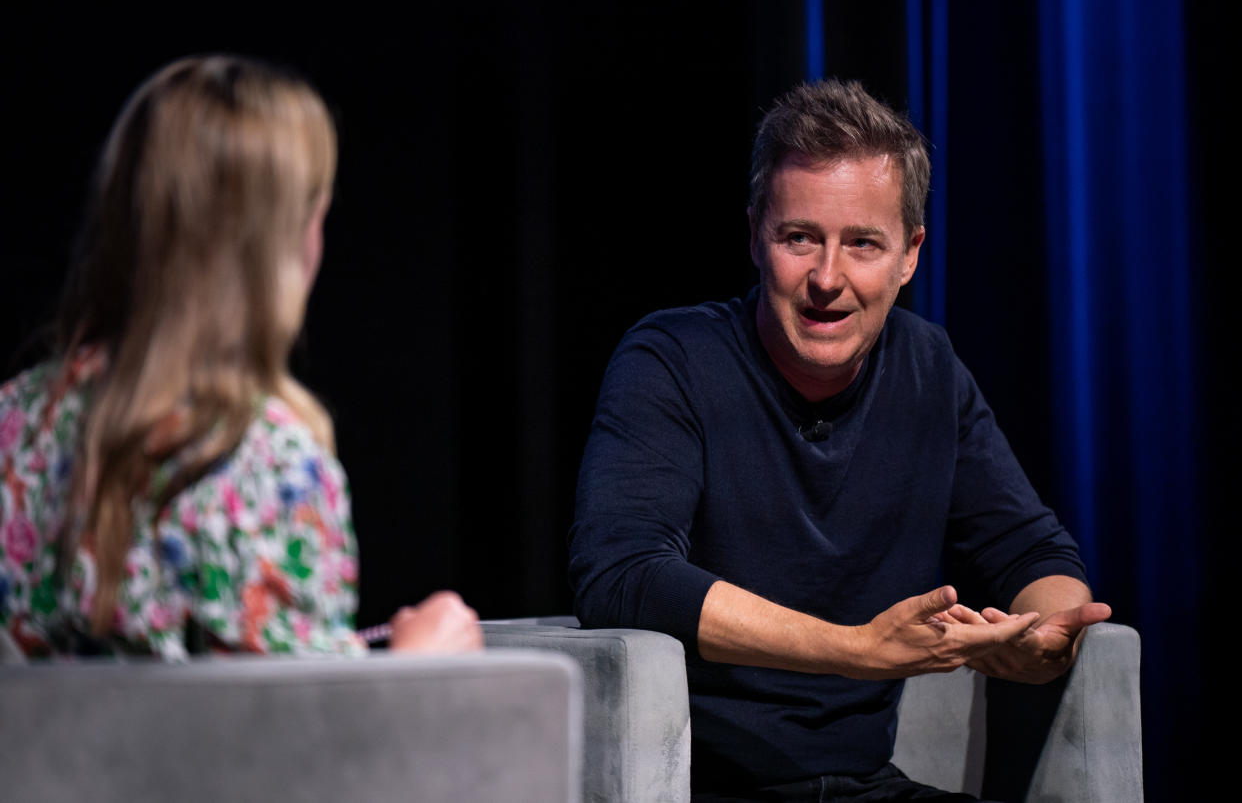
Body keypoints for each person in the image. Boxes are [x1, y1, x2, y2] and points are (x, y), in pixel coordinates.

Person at [568, 79, 1111, 801]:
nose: (829, 278)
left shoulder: (929, 369)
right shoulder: (671, 359)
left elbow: (1033, 550)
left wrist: (1044, 637)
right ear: (755, 234)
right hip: (701, 785)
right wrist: (855, 650)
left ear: (910, 254)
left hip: (869, 785)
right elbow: (622, 575)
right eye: (800, 239)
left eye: (862, 244)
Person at [0, 55, 481, 660]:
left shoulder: (12, 422)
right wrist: (419, 669)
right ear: (283, 244)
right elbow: (293, 743)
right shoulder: (271, 465)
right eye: (315, 215)